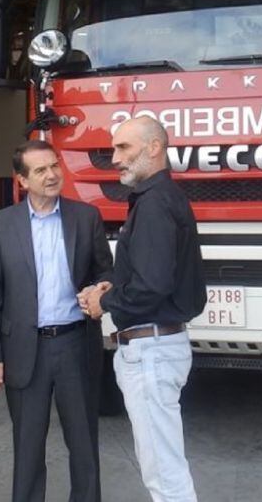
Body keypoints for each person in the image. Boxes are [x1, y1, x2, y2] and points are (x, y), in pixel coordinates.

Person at [79, 116, 206, 502]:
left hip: (151, 351)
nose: (115, 158)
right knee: (163, 465)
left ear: (154, 148)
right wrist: (115, 287)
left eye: (124, 147)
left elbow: (153, 285)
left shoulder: (153, 204)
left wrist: (105, 301)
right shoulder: (162, 198)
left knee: (164, 474)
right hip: (157, 347)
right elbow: (156, 275)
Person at [0, 140, 113, 502]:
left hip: (76, 344)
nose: (52, 174)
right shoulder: (3, 223)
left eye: (54, 166)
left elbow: (106, 271)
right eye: (40, 170)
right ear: (22, 180)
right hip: (25, 348)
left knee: (84, 445)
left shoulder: (85, 217)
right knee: (27, 446)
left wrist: (101, 288)